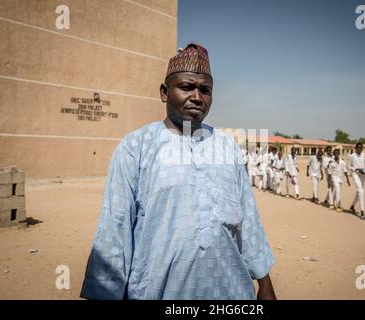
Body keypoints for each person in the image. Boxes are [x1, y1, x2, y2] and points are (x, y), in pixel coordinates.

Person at [80, 44, 276, 300]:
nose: (197, 96)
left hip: (230, 290)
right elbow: (114, 228)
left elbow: (247, 219)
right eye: (186, 87)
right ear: (164, 92)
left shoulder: (226, 145)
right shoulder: (136, 147)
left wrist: (265, 284)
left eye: (205, 90)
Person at [348, 143, 365, 220]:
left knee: (359, 192)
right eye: (358, 148)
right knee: (361, 191)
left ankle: (352, 206)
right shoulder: (352, 156)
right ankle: (362, 212)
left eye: (361, 148)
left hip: (362, 175)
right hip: (355, 174)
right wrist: (356, 169)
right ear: (355, 148)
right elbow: (348, 166)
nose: (359, 149)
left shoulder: (364, 155)